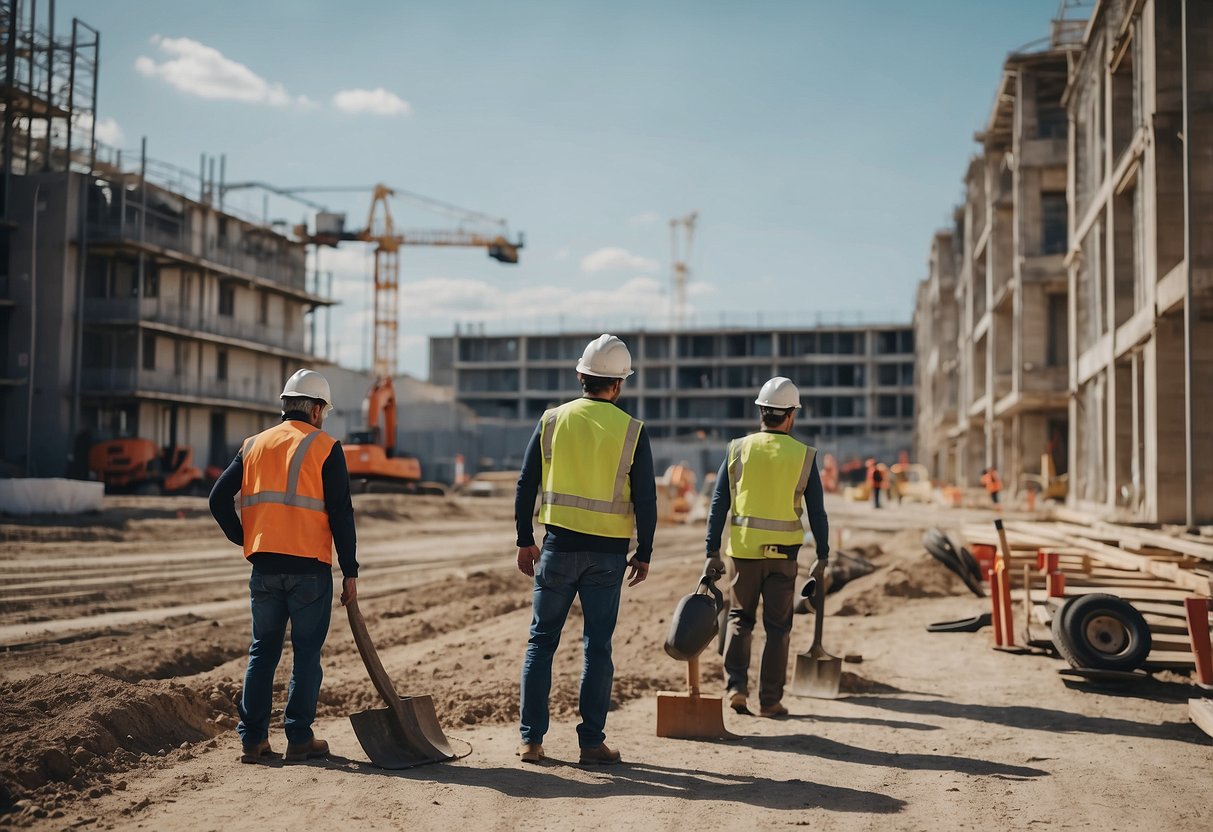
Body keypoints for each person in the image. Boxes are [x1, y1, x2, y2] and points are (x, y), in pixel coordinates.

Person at [514, 334, 657, 766]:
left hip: (557, 548)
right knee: (598, 647)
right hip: (608, 556)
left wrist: (525, 539)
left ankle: (531, 742)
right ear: (619, 384)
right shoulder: (632, 431)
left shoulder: (552, 420)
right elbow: (647, 498)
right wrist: (644, 550)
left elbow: (526, 484)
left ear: (581, 376)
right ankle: (591, 744)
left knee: (541, 642)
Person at [209, 369, 358, 764]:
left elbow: (216, 499)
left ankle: (253, 740)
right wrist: (351, 570)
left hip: (264, 567)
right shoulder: (326, 447)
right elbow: (342, 514)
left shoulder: (253, 445)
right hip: (309, 569)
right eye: (323, 409)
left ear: (285, 404)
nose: (322, 416)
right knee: (306, 654)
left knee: (263, 651)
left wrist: (245, 538)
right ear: (314, 408)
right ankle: (298, 737)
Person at [704, 377, 829, 718]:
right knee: (778, 628)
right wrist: (823, 554)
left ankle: (736, 688)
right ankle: (770, 700)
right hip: (783, 558)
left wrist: (711, 550)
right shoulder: (804, 455)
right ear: (790, 416)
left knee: (739, 619)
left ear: (761, 411)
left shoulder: (737, 449)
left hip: (743, 555)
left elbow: (719, 503)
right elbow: (817, 510)